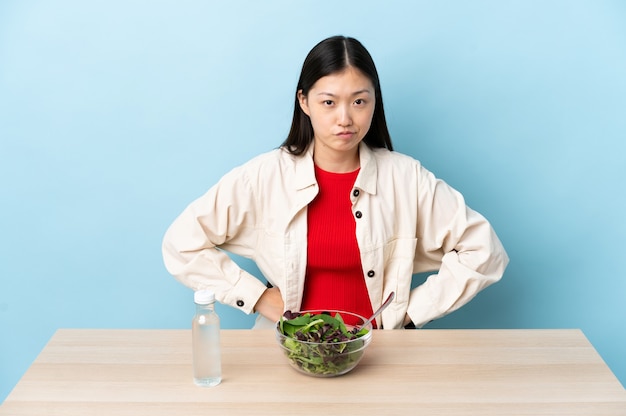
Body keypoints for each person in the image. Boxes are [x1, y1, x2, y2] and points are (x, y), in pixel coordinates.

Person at [162, 35, 509, 329]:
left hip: (380, 353)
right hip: (286, 350)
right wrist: (256, 296)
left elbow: (485, 251)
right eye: (328, 102)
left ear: (375, 102)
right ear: (304, 102)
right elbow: (181, 243)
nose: (345, 118)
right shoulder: (264, 176)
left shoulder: (407, 178)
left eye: (359, 101)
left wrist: (411, 315)